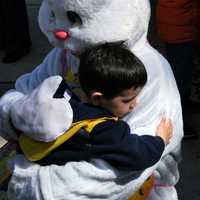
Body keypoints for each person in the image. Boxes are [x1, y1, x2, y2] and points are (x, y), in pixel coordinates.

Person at [19, 43, 172, 170]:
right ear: (97, 98)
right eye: (127, 100)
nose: (135, 103)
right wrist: (160, 140)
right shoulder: (101, 129)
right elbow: (138, 155)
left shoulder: (62, 93)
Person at [156, 0, 200, 139]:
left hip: (177, 22)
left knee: (181, 74)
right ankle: (175, 123)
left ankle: (184, 104)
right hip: (180, 25)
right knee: (179, 78)